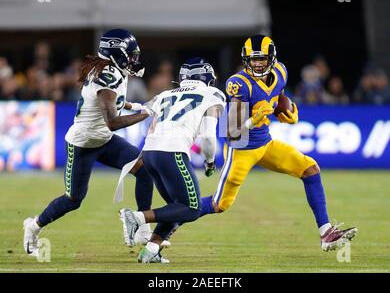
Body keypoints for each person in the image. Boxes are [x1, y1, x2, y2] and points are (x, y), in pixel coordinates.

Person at [200, 35, 357, 252]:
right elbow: (231, 131)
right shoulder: (239, 83)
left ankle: (326, 232)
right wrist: (252, 120)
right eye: (253, 59)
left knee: (310, 169)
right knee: (219, 205)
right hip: (241, 150)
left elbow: (278, 97)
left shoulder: (280, 72)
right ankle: (165, 221)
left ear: (271, 58)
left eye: (262, 59)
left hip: (265, 144)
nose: (256, 63)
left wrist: (287, 110)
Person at [23, 29, 162, 256]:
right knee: (74, 199)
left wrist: (135, 106)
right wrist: (146, 114)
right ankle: (33, 226)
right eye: (129, 54)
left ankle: (141, 227)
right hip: (84, 144)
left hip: (103, 140)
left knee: (144, 170)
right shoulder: (106, 76)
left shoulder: (112, 70)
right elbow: (112, 122)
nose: (133, 59)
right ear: (116, 53)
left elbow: (115, 101)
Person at [119, 57, 226, 263]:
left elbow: (142, 109)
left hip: (149, 152)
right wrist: (210, 161)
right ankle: (137, 217)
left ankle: (150, 251)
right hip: (173, 151)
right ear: (207, 78)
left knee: (175, 207)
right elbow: (207, 136)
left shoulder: (165, 94)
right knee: (192, 208)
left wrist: (122, 102)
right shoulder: (212, 94)